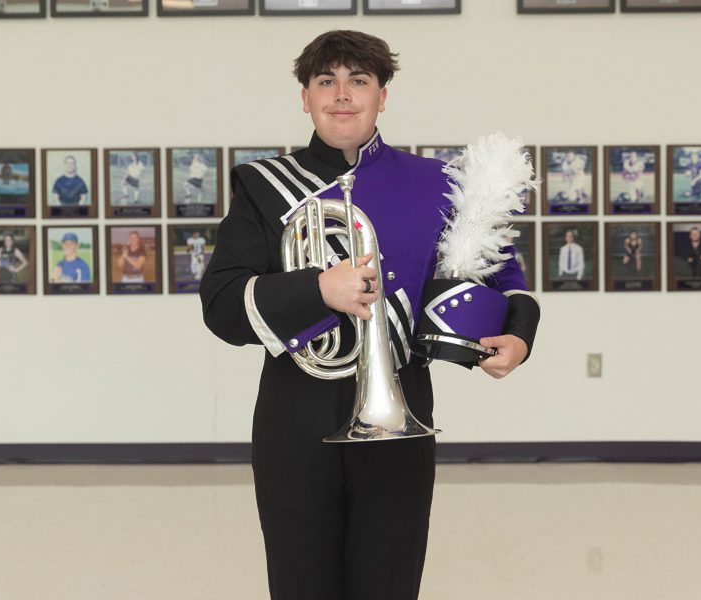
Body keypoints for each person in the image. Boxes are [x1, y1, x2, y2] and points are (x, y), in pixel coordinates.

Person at [199, 30, 539, 600]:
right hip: (295, 422)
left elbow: (502, 275)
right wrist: (317, 290)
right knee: (300, 584)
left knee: (389, 583)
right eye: (325, 81)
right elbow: (221, 305)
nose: (342, 94)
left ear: (383, 96)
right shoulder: (262, 187)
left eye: (359, 81)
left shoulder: (437, 184)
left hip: (401, 419)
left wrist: (518, 336)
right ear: (304, 97)